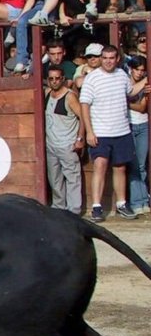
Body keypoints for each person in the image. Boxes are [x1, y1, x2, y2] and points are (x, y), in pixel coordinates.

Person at [79, 45, 139, 222]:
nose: (108, 61)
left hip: (121, 129)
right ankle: (97, 206)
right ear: (101, 58)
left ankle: (121, 204)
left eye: (111, 58)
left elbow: (131, 92)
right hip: (101, 131)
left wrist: (145, 81)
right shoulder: (92, 78)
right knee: (100, 166)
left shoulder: (122, 75)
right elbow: (84, 105)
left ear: (117, 59)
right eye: (105, 58)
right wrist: (89, 132)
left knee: (120, 167)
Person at [43, 64, 86, 214]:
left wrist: (80, 138)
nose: (54, 81)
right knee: (55, 179)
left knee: (72, 178)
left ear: (63, 79)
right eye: (51, 79)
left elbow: (83, 117)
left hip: (67, 144)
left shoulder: (69, 96)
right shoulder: (47, 93)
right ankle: (58, 208)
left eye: (57, 78)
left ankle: (74, 211)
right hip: (51, 144)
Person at [126, 59, 149, 215]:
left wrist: (127, 103)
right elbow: (128, 93)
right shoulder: (124, 80)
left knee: (141, 165)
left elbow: (142, 107)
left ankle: (142, 201)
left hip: (143, 124)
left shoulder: (144, 84)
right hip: (129, 125)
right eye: (137, 70)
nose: (139, 73)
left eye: (142, 70)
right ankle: (136, 202)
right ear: (131, 69)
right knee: (134, 165)